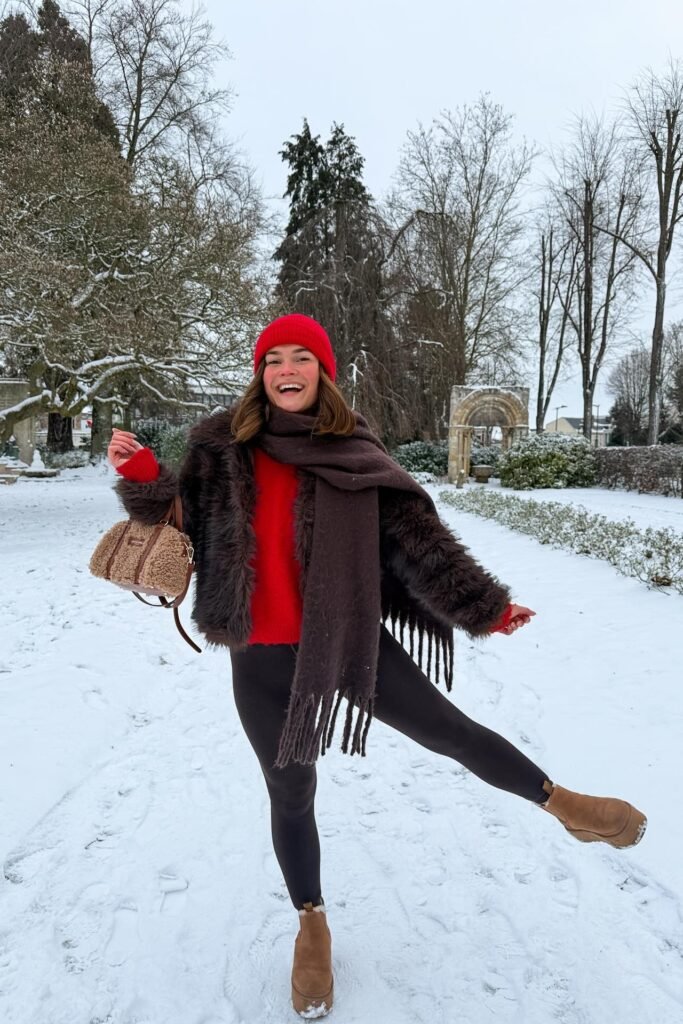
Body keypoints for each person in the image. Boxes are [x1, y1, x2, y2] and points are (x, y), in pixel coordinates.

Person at [108, 313, 647, 1019]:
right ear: (260, 373)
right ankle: (311, 922)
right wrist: (145, 476)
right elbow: (182, 517)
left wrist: (484, 607)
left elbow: (418, 545)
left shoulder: (353, 451)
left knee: (449, 731)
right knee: (290, 790)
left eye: (302, 357)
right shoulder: (222, 446)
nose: (287, 370)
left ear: (322, 371)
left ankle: (562, 803)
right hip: (260, 653)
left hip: (348, 636)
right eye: (274, 359)